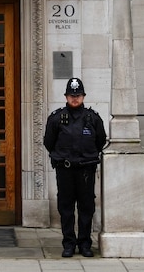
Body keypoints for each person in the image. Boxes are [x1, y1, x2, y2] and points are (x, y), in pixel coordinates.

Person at [44, 77, 107, 258]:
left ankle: (85, 243)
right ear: (66, 96)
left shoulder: (92, 118)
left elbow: (100, 141)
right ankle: (69, 244)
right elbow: (49, 142)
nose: (75, 98)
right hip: (65, 169)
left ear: (83, 96)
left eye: (78, 95)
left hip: (86, 169)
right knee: (66, 207)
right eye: (71, 95)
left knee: (86, 207)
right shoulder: (56, 118)